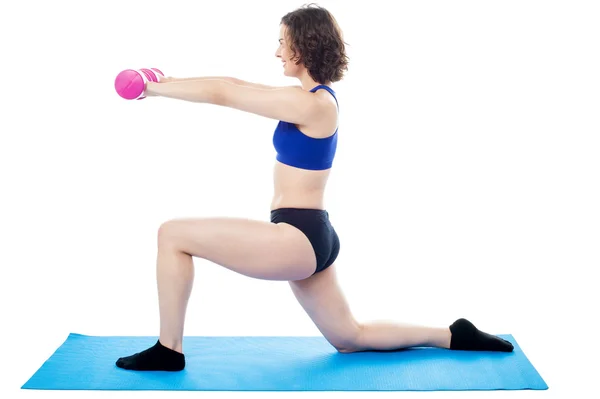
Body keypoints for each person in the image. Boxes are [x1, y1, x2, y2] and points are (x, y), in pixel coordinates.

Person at [116, 3, 513, 372]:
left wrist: (150, 90)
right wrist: (164, 79)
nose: (277, 53)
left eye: (282, 44)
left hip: (296, 238)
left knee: (172, 235)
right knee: (350, 337)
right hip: (309, 233)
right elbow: (232, 82)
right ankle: (451, 334)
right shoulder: (307, 98)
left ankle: (169, 350)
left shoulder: (313, 106)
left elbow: (225, 95)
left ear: (303, 47)